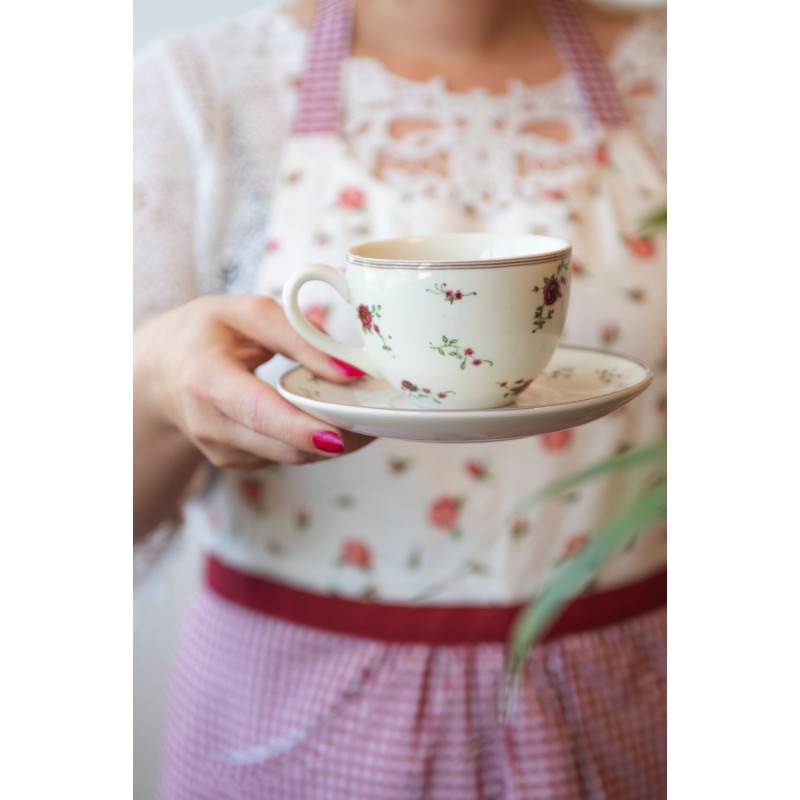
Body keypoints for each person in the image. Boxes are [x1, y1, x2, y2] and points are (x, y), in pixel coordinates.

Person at [133, 0, 667, 796]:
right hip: (301, 711)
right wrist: (153, 386)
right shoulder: (201, 90)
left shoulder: (684, 72)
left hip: (639, 691)